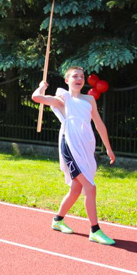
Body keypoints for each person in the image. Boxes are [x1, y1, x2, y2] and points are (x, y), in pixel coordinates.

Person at [32, 66, 117, 244]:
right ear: (67, 80)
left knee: (76, 189)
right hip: (70, 147)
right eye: (75, 76)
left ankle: (57, 220)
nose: (79, 78)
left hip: (86, 147)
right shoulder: (63, 100)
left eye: (82, 76)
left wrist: (108, 148)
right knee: (90, 187)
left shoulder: (90, 99)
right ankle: (95, 230)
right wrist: (41, 86)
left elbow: (100, 125)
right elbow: (36, 98)